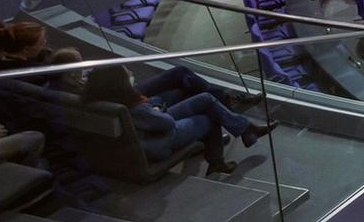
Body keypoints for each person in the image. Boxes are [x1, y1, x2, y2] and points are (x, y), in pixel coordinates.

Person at [83, 63, 273, 177]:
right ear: (120, 86)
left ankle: (244, 133)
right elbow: (165, 123)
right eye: (128, 77)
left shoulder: (104, 100)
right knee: (210, 112)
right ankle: (222, 154)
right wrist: (156, 108)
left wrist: (156, 109)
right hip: (161, 140)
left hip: (152, 132)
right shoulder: (134, 107)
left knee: (203, 99)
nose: (131, 78)